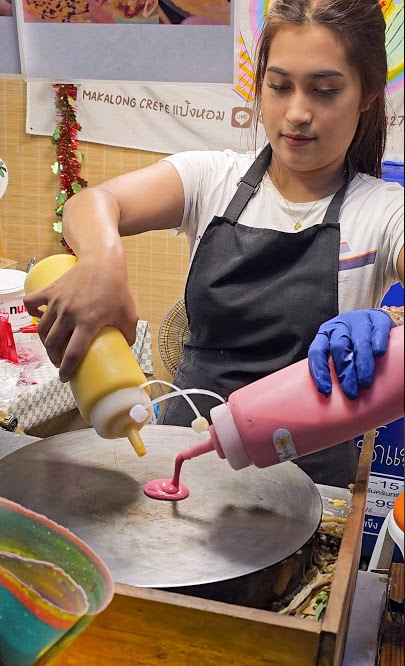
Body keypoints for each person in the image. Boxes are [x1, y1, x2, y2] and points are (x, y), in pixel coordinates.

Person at [24, 0, 404, 487]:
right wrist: (102, 258)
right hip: (187, 465)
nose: (297, 113)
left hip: (310, 487)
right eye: (279, 86)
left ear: (368, 93)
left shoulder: (383, 211)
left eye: (325, 91)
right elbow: (93, 203)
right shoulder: (212, 179)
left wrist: (390, 324)